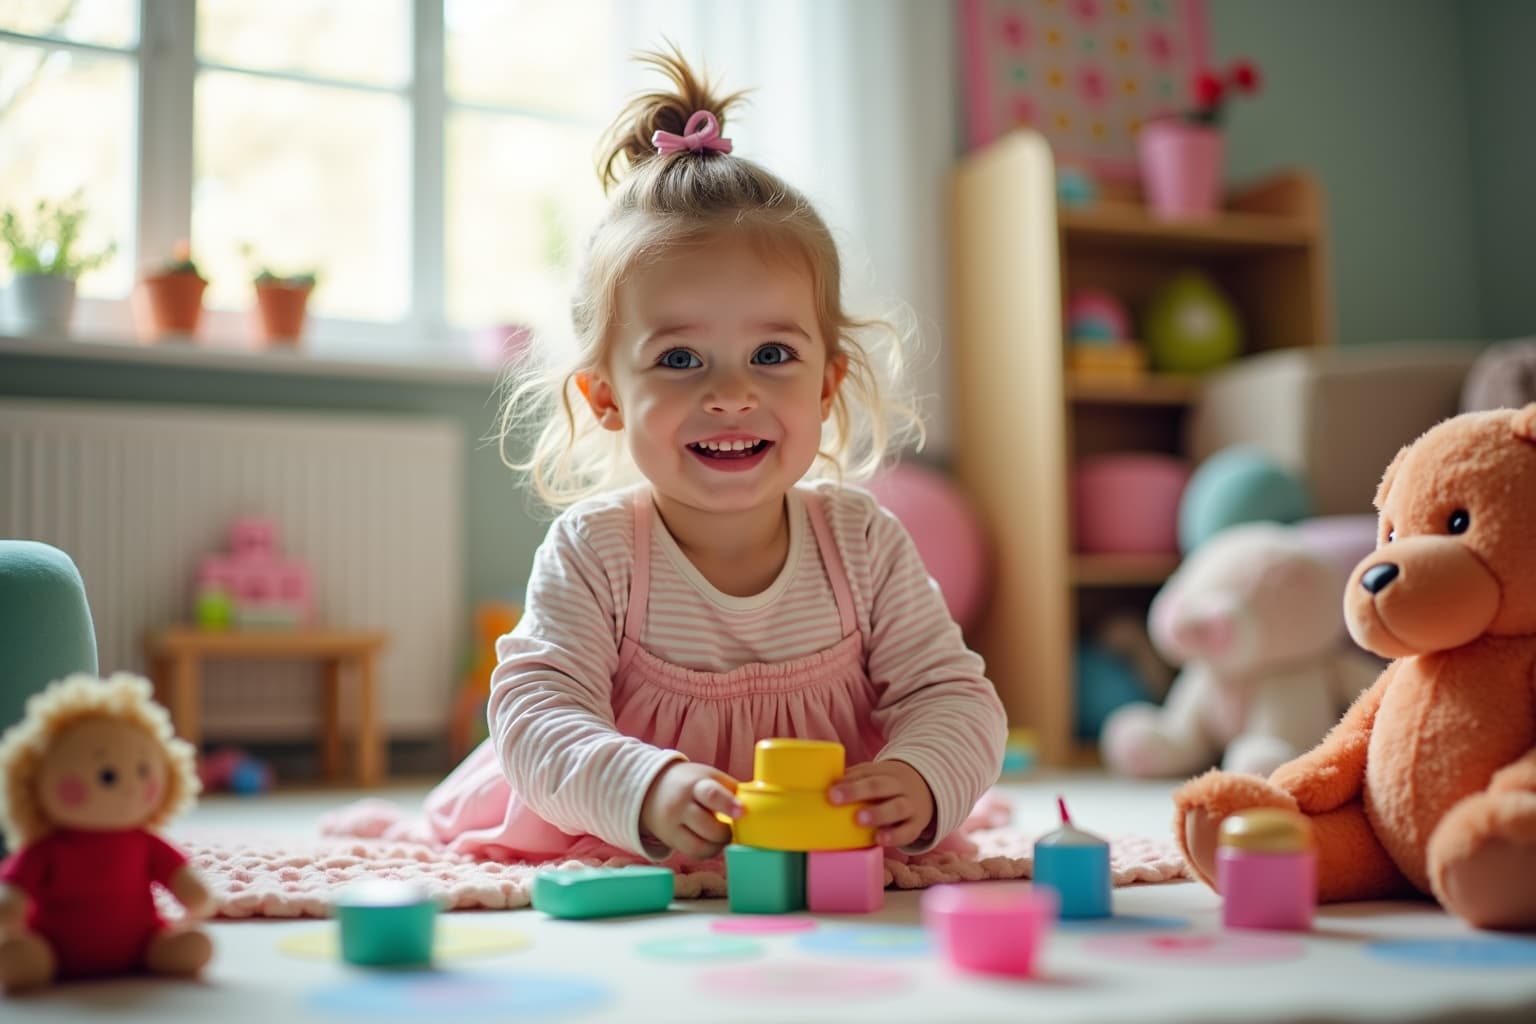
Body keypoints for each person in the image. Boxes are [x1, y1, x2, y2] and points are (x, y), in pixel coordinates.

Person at [424, 48, 1007, 865]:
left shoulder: (863, 542)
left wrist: (918, 775)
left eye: (772, 357)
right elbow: (535, 713)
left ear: (828, 384)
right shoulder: (597, 552)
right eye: (680, 359)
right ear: (605, 398)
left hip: (829, 837)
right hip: (623, 831)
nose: (732, 394)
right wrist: (643, 787)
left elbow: (954, 696)